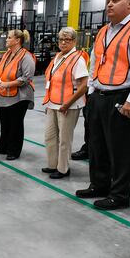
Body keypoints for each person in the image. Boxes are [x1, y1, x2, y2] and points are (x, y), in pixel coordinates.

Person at [74, 0, 130, 210]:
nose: (109, 5)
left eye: (115, 0)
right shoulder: (103, 31)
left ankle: (119, 195)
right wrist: (91, 92)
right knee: (96, 145)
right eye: (108, 1)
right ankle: (99, 185)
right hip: (99, 96)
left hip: (123, 97)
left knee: (121, 149)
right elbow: (95, 63)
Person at [41, 27, 89, 179]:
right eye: (61, 39)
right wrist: (48, 103)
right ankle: (53, 164)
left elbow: (83, 86)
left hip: (68, 106)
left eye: (67, 40)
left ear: (74, 41)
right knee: (50, 136)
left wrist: (68, 104)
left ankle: (63, 169)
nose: (63, 42)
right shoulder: (58, 57)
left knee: (64, 139)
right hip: (53, 104)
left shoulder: (78, 59)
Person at [0, 29, 36, 160]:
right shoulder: (7, 54)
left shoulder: (26, 57)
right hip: (5, 95)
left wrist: (7, 84)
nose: (6, 40)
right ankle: (3, 147)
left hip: (20, 96)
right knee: (5, 122)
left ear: (17, 40)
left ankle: (14, 151)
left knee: (16, 124)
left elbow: (27, 77)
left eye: (9, 38)